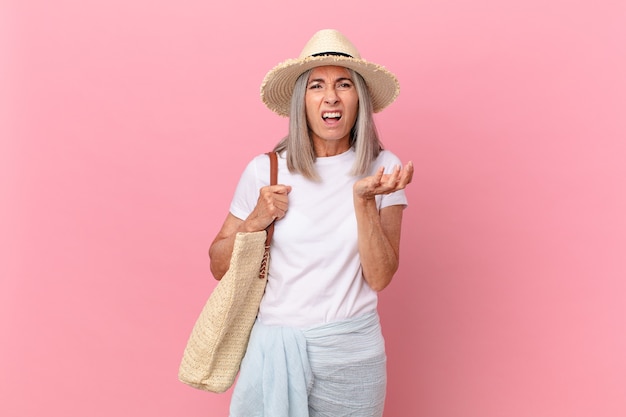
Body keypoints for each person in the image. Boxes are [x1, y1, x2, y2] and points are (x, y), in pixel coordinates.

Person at [209, 29, 413, 417]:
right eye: (317, 85)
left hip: (353, 355)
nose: (331, 96)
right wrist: (255, 220)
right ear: (301, 99)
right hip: (275, 350)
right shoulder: (265, 170)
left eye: (344, 84)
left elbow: (381, 276)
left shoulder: (383, 169)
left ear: (359, 100)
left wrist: (363, 201)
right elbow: (218, 265)